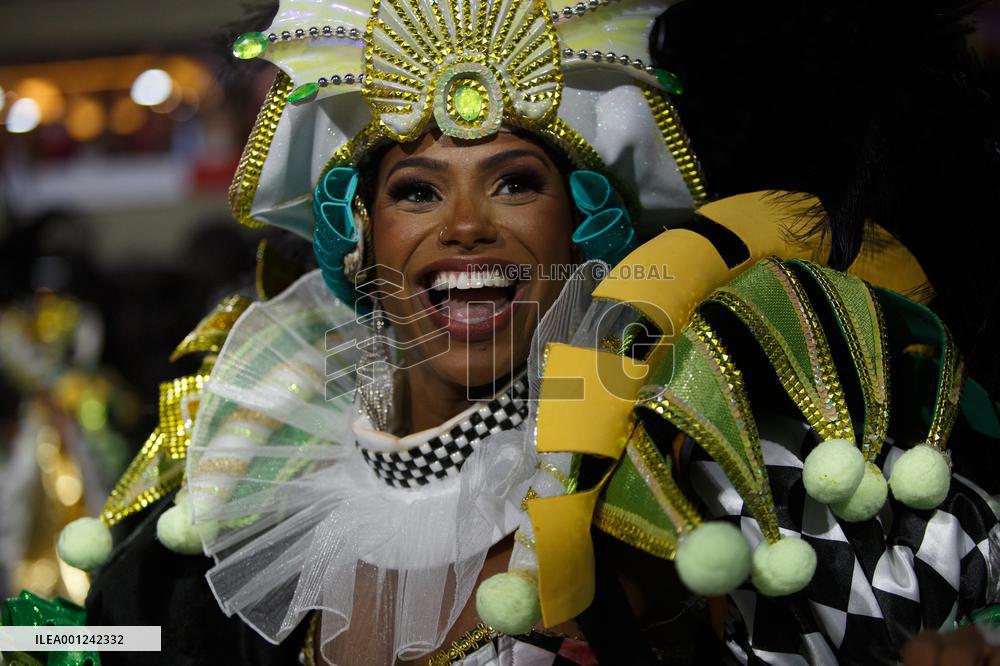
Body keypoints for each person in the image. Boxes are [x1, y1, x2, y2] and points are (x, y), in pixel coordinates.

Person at [7, 0, 1000, 664]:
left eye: (516, 181)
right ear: (359, 235)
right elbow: (109, 645)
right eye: (416, 189)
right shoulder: (243, 483)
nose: (467, 225)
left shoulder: (705, 468)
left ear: (589, 226)